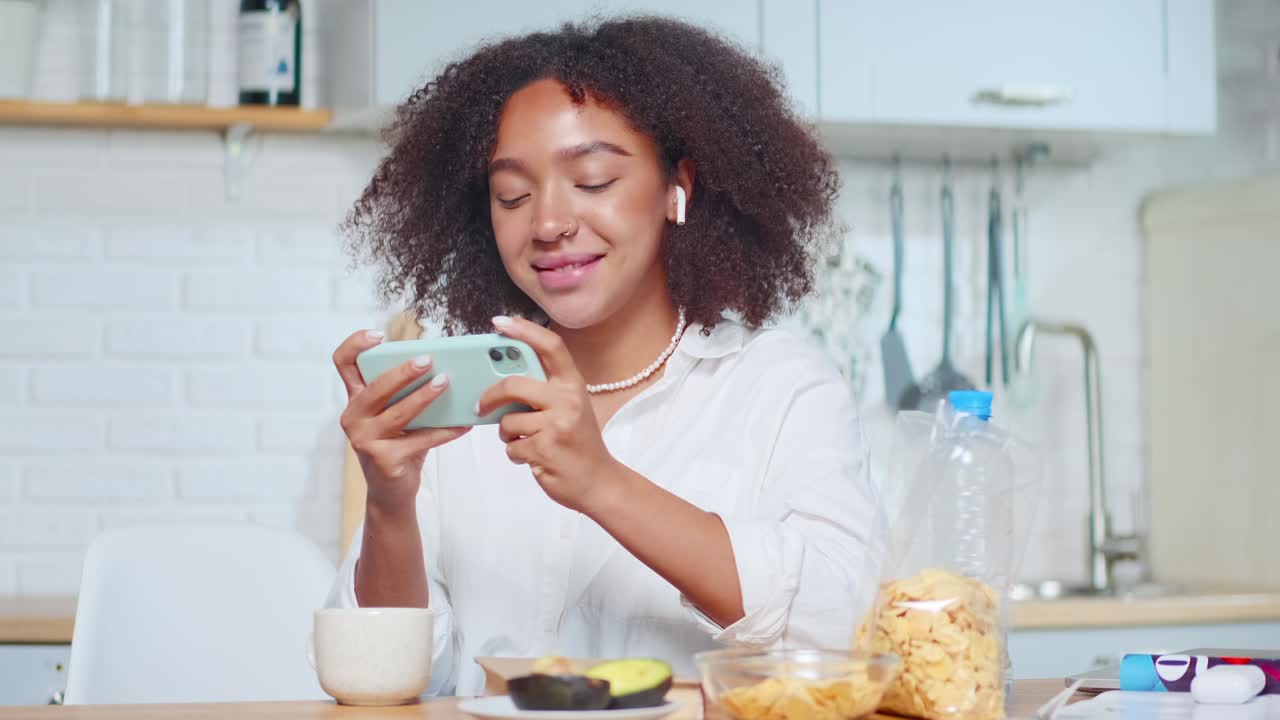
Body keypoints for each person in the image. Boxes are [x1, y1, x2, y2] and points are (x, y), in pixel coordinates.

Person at [326, 15, 879, 696]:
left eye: (591, 181)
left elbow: (840, 627)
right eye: (513, 195)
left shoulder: (781, 386)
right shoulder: (454, 401)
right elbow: (385, 687)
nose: (549, 223)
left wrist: (600, 482)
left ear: (678, 185)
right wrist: (388, 503)